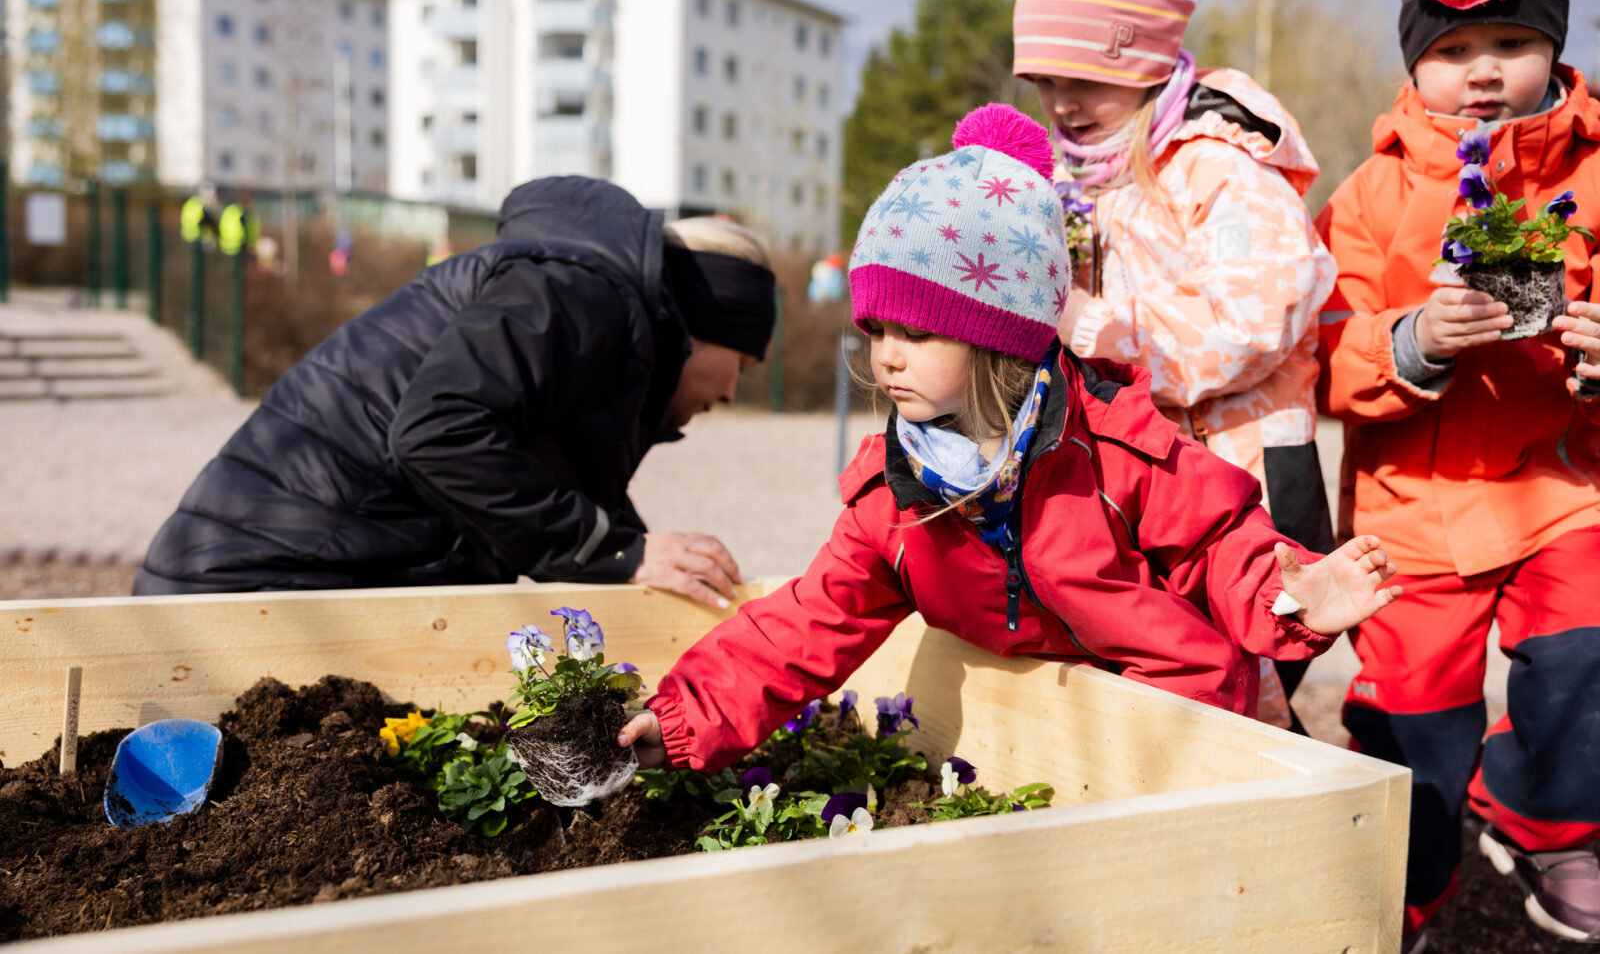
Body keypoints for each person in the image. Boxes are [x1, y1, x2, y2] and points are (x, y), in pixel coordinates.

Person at [618, 104, 1402, 777]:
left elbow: (1219, 540)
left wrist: (1293, 595)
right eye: (879, 328)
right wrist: (683, 717)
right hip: (1044, 743)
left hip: (1180, 729)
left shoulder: (1114, 446)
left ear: (999, 338)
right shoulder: (895, 497)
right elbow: (806, 622)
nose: (887, 353)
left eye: (919, 330)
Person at [1316, 0, 1600, 944]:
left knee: (1585, 657)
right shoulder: (1369, 196)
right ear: (1413, 63)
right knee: (1412, 717)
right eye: (1454, 48)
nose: (1482, 69)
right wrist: (1414, 340)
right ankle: (1404, 884)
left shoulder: (1594, 171)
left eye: (1513, 40)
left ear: (1555, 43)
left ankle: (1545, 820)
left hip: (1559, 486)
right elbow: (1318, 355)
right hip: (1410, 510)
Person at [134, 176, 776, 607]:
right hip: (257, 593)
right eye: (743, 363)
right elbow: (438, 432)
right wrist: (617, 551)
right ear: (703, 325)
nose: (730, 392)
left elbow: (548, 488)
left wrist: (634, 551)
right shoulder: (582, 295)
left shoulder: (596, 322)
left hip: (260, 579)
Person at [1011, 0, 1340, 730]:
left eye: (1083, 78)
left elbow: (1264, 307)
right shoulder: (1085, 178)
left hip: (1243, 473)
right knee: (1177, 673)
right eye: (1046, 81)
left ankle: (1297, 839)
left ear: (1148, 58)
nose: (1063, 102)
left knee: (1245, 675)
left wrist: (1107, 331)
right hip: (1153, 474)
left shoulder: (1218, 168)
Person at [180, 181, 220, 250]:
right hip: (199, 238)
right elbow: (206, 223)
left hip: (187, 236)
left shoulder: (190, 203)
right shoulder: (202, 207)